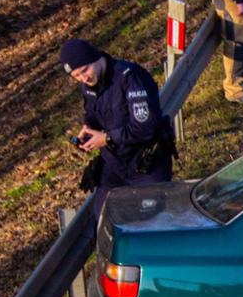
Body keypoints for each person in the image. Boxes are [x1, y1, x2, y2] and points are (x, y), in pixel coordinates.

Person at [61, 39, 174, 198]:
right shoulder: (88, 84)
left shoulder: (130, 77)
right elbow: (92, 112)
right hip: (114, 166)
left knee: (149, 218)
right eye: (76, 76)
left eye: (85, 70)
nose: (83, 79)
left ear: (96, 57)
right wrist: (88, 128)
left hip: (146, 163)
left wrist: (107, 138)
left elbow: (146, 126)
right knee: (103, 218)